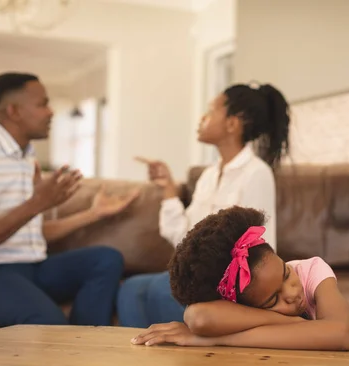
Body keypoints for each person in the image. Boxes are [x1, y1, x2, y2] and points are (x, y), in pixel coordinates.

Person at [0, 72, 138, 330]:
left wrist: (93, 213)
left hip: (27, 267)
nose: (51, 112)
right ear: (14, 111)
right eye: (42, 104)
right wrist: (37, 203)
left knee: (105, 259)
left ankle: (86, 345)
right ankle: (70, 349)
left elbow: (29, 232)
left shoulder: (24, 157)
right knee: (48, 326)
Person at [117, 83, 290, 327]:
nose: (202, 118)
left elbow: (261, 246)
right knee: (130, 290)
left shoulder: (256, 174)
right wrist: (168, 187)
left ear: (232, 123)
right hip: (198, 276)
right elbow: (183, 236)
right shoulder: (209, 175)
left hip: (225, 285)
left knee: (156, 289)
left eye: (210, 111)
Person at [130, 206, 349, 351]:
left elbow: (342, 334)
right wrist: (295, 323)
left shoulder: (311, 271)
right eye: (273, 300)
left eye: (286, 274)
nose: (292, 293)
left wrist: (211, 339)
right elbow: (198, 317)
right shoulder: (241, 303)